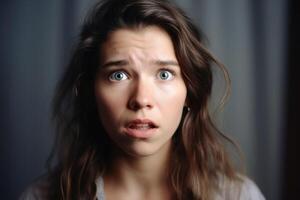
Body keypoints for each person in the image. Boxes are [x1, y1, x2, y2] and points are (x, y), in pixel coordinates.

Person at [20, 0, 265, 199]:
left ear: (190, 92)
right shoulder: (43, 196)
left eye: (164, 74)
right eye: (119, 75)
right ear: (90, 91)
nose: (141, 99)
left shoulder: (239, 196)